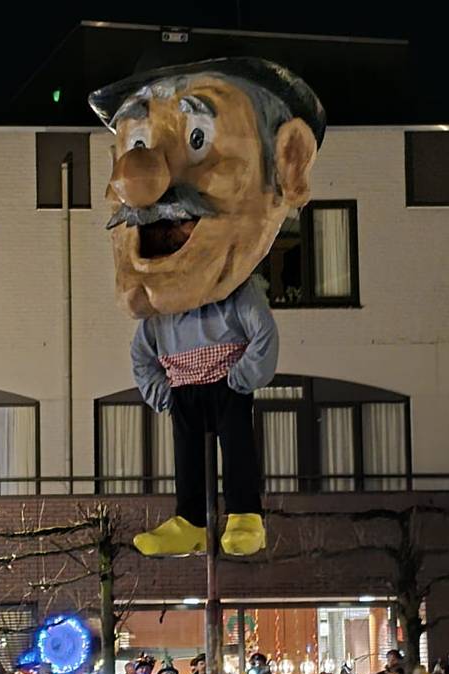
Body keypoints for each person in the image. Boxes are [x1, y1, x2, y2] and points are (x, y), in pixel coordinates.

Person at [93, 58, 326, 559]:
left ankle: (245, 514)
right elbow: (142, 353)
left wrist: (241, 377)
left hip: (224, 382)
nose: (143, 179)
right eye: (137, 145)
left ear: (289, 162)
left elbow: (262, 333)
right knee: (187, 455)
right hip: (183, 387)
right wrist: (163, 392)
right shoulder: (159, 310)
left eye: (198, 140)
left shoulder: (239, 294)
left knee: (237, 447)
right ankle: (189, 519)